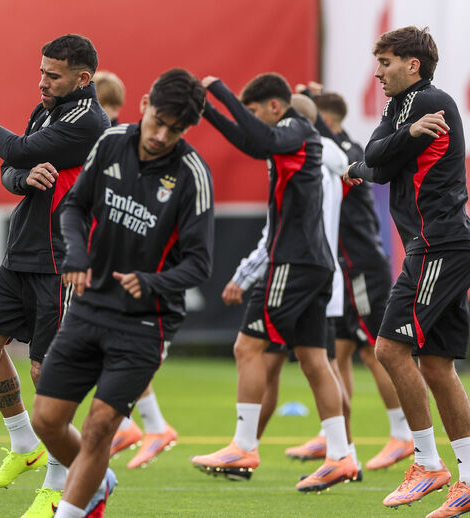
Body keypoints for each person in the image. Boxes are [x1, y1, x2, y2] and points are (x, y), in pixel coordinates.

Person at [32, 68, 212, 518]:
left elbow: (200, 264)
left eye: (176, 130)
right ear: (145, 102)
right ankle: (97, 481)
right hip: (90, 306)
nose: (161, 135)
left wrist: (151, 281)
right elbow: (74, 205)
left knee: (98, 430)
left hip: (145, 322)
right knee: (47, 420)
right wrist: (76, 255)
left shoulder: (192, 174)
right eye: (158, 121)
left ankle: (74, 507)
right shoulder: (111, 143)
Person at [0, 33, 109, 517]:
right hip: (22, 253)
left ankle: (59, 481)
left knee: (48, 376)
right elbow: (13, 166)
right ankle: (24, 443)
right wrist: (21, 178)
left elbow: (17, 146)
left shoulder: (87, 121)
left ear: (82, 79)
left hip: (60, 264)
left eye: (53, 74)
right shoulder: (46, 107)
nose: (42, 81)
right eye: (41, 71)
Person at [190, 73, 359, 492]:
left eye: (254, 111)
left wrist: (217, 88)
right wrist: (207, 109)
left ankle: (244, 445)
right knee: (314, 360)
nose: (251, 121)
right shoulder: (288, 140)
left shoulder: (295, 127)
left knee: (247, 346)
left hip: (293, 263)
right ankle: (341, 456)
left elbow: (257, 137)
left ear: (275, 107)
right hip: (317, 264)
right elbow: (250, 141)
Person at [344, 26, 470, 516]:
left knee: (389, 349)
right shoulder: (402, 110)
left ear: (412, 65)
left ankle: (427, 463)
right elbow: (377, 157)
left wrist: (383, 150)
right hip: (441, 242)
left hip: (438, 243)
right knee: (437, 365)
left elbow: (379, 154)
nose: (378, 73)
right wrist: (361, 165)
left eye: (387, 62)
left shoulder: (429, 101)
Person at [282, 84, 410, 471]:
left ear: (328, 120)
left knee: (378, 352)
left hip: (361, 266)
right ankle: (338, 439)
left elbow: (328, 137)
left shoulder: (347, 152)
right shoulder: (323, 152)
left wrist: (307, 106)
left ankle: (402, 435)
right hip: (339, 270)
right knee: (334, 353)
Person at [93, 70, 179, 469]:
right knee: (109, 346)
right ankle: (150, 424)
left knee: (114, 344)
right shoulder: (119, 144)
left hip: (123, 267)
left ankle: (138, 423)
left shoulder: (114, 144)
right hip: (111, 260)